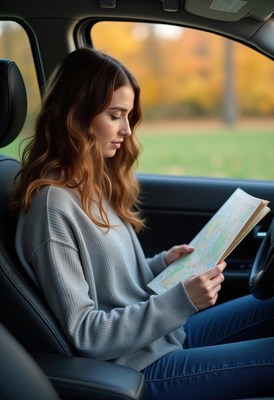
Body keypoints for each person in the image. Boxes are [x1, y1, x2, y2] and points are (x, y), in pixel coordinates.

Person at [12, 47, 274, 399]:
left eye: (128, 115)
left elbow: (112, 287)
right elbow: (86, 334)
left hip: (161, 338)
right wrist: (182, 301)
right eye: (115, 115)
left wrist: (161, 264)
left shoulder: (90, 183)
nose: (125, 129)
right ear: (76, 115)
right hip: (137, 367)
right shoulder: (51, 208)